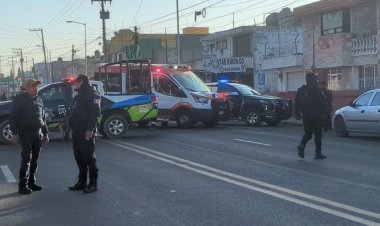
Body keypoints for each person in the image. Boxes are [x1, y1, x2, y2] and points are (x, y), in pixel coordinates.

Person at [9, 78, 49, 195]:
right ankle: (23, 185)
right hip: (26, 133)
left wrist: (45, 133)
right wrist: (14, 133)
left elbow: (43, 118)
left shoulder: (39, 100)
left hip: (38, 133)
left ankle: (32, 182)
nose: (36, 88)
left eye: (36, 86)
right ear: (26, 88)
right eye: (33, 86)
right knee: (26, 159)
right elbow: (13, 117)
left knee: (35, 159)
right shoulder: (20, 100)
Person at [68, 74, 101, 193]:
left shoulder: (93, 95)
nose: (76, 84)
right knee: (79, 158)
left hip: (86, 130)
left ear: (83, 82)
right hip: (76, 131)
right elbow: (73, 112)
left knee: (89, 158)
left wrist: (90, 130)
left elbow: (95, 114)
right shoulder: (79, 96)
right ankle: (81, 182)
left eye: (78, 82)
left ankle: (93, 183)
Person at [295, 72, 328, 160]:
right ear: (314, 79)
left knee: (308, 134)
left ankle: (302, 145)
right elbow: (323, 102)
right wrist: (325, 114)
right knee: (318, 134)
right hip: (316, 115)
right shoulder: (317, 89)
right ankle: (318, 153)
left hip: (306, 115)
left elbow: (297, 103)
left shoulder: (301, 90)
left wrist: (297, 114)